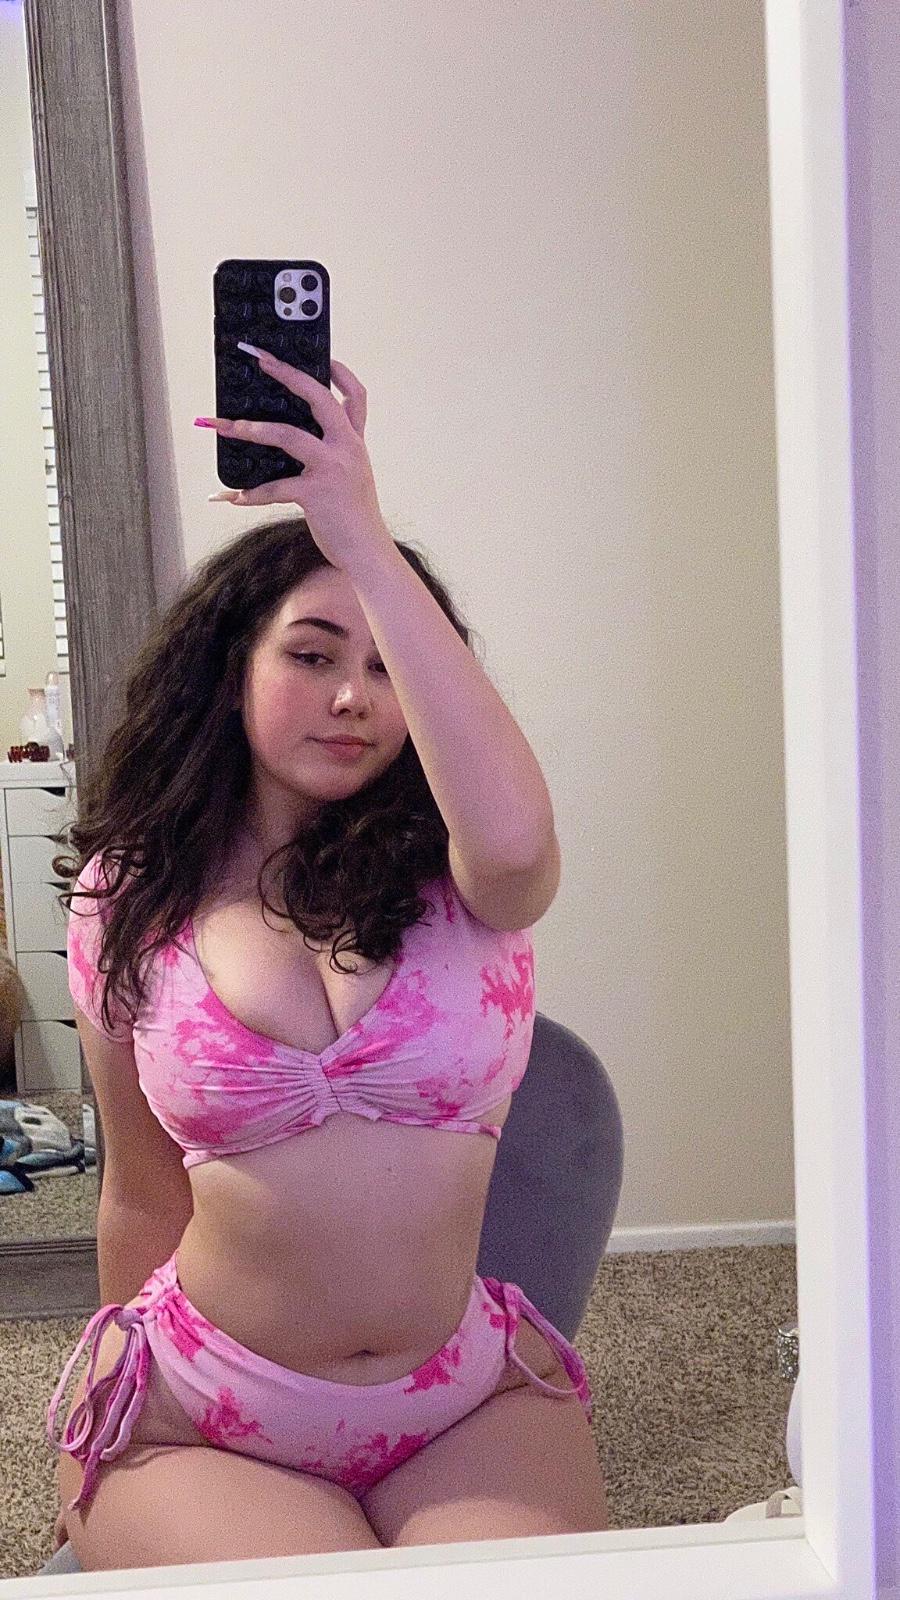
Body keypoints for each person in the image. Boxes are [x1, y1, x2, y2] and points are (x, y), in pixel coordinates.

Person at [46, 353, 609, 1567]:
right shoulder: (132, 895)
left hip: (459, 1399)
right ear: (232, 672)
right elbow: (139, 1185)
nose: (355, 695)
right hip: (207, 1410)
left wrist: (359, 531)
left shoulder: (470, 876)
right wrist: (111, 1371)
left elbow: (519, 842)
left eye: (387, 665)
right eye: (311, 654)